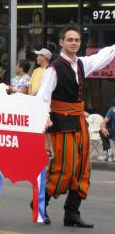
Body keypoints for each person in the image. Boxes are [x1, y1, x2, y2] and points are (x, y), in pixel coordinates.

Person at [37, 25, 115, 228]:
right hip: (61, 121)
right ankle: (39, 203)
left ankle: (71, 213)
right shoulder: (54, 68)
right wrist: (44, 117)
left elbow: (103, 56)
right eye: (70, 39)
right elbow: (43, 97)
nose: (74, 43)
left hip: (78, 120)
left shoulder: (81, 63)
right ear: (62, 42)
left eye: (77, 40)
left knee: (82, 168)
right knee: (65, 167)